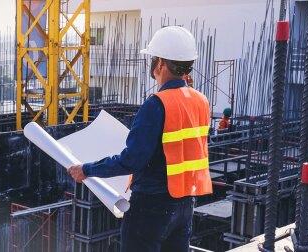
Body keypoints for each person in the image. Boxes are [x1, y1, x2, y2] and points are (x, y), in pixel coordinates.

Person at [67, 26, 212, 252]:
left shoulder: (156, 104)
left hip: (152, 208)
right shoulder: (200, 101)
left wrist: (87, 169)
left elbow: (133, 159)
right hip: (185, 205)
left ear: (161, 63)